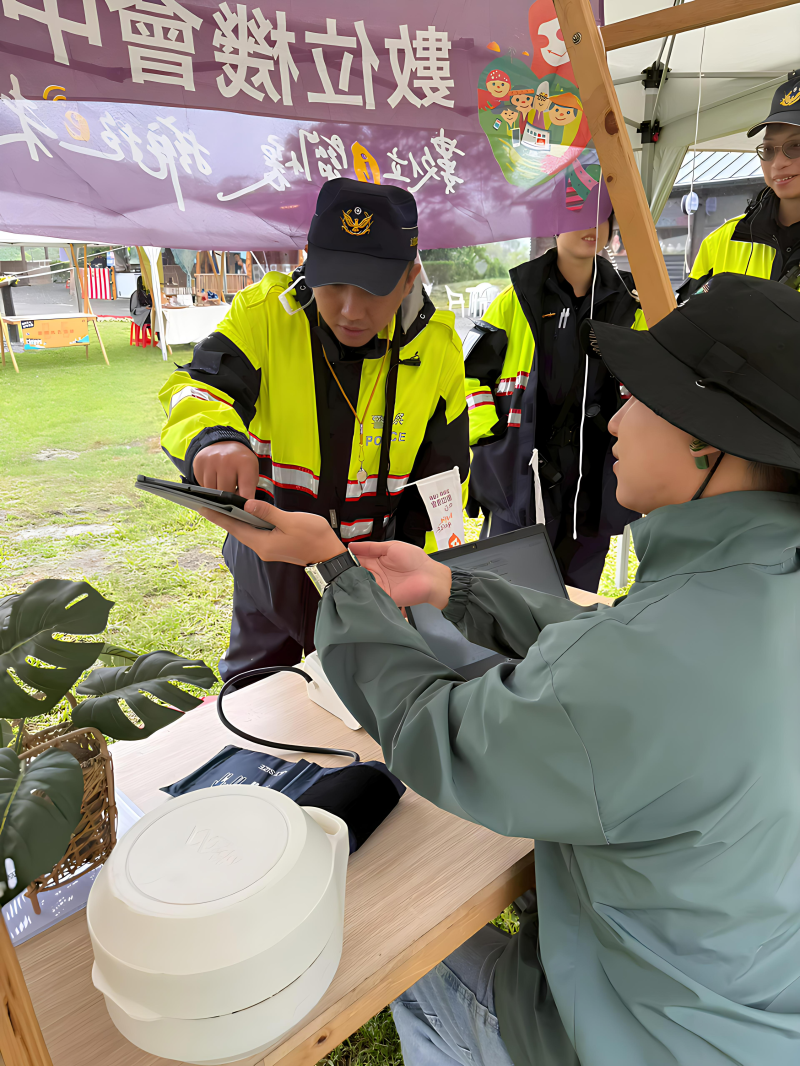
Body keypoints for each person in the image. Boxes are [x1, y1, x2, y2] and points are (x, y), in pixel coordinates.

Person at [202, 272, 800, 1066]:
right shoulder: (755, 588)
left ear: (707, 440)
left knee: (398, 946)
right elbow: (622, 652)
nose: (616, 416)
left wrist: (334, 573)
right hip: (757, 1005)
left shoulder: (648, 664)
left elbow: (435, 731)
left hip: (636, 1037)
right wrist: (454, 589)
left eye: (640, 397)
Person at [159, 178, 469, 681]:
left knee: (365, 698)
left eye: (373, 288)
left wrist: (414, 563)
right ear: (308, 261)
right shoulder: (266, 314)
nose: (350, 310)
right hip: (270, 564)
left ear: (410, 277)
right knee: (255, 692)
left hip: (375, 573)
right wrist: (213, 439)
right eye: (334, 283)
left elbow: (442, 477)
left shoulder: (437, 348)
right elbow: (197, 389)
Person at [463, 212, 646, 591]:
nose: (591, 227)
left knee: (576, 596)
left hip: (596, 478)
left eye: (601, 217)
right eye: (577, 214)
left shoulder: (631, 303)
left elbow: (652, 384)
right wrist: (491, 437)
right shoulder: (517, 298)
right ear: (555, 224)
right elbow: (469, 375)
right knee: (507, 593)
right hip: (522, 474)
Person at [678, 72, 800, 295]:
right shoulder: (721, 242)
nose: (777, 163)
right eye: (768, 149)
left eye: (796, 146)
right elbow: (687, 315)